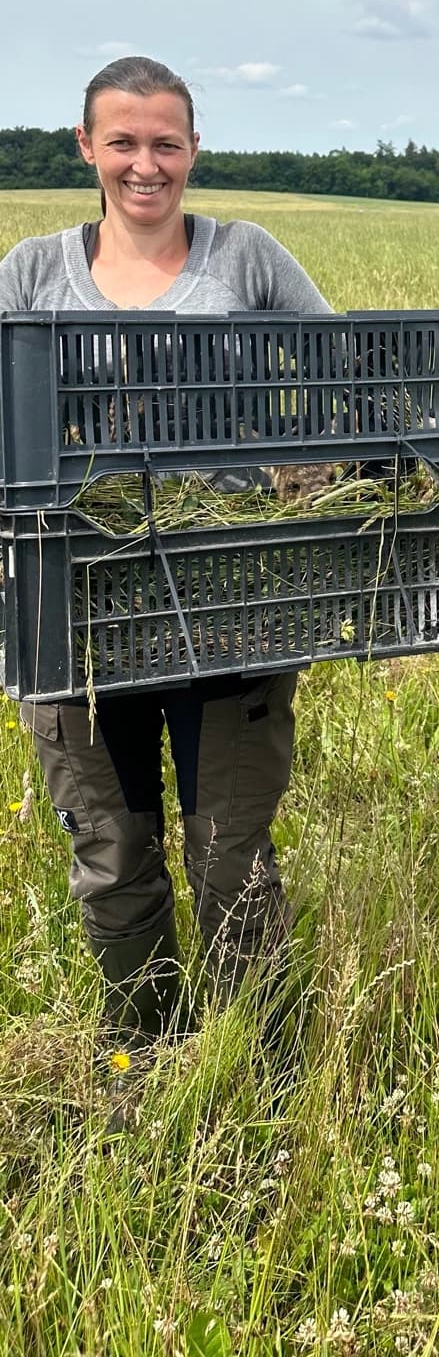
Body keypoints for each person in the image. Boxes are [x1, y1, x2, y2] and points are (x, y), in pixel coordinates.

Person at [0, 56, 332, 1070]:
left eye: (167, 144)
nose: (146, 166)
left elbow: (348, 380)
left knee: (232, 853)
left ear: (193, 150)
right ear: (88, 148)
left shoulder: (248, 258)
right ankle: (141, 1056)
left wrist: (312, 482)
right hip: (73, 609)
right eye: (125, 143)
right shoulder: (29, 271)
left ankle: (258, 1066)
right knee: (112, 852)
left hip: (226, 604)